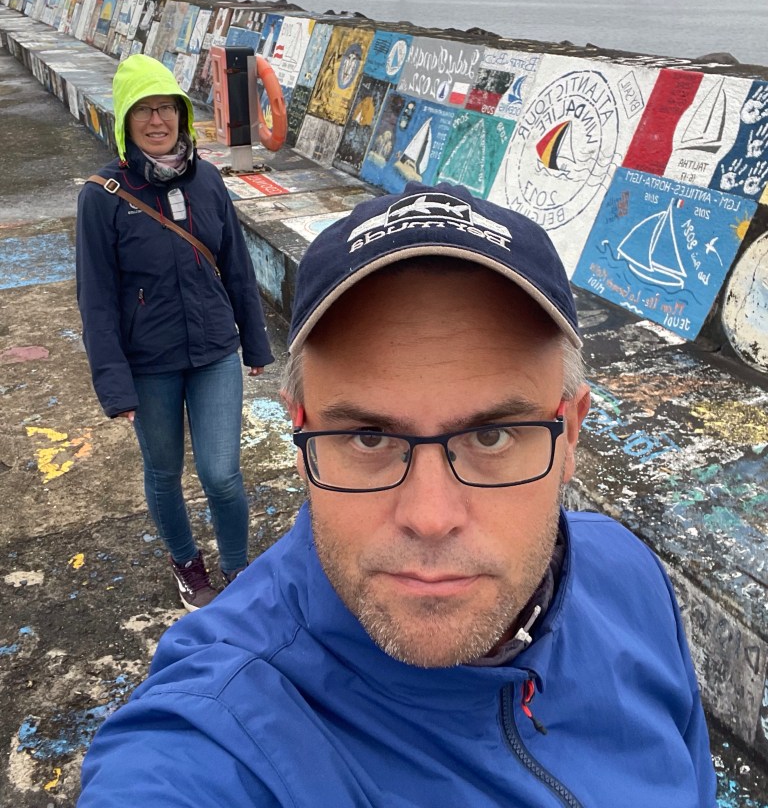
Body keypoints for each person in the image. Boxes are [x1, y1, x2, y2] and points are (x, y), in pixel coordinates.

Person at [78, 182, 716, 806]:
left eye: (491, 435)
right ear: (301, 435)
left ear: (570, 432)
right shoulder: (222, 727)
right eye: (367, 437)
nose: (430, 517)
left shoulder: (629, 575)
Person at [76, 53, 273, 612]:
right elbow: (96, 298)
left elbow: (236, 263)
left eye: (167, 108)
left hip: (214, 351)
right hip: (149, 362)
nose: (157, 120)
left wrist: (255, 342)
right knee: (163, 472)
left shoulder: (208, 179)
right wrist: (114, 384)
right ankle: (186, 563)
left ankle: (237, 567)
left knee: (222, 474)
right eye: (143, 110)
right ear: (125, 120)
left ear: (183, 115)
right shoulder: (101, 196)